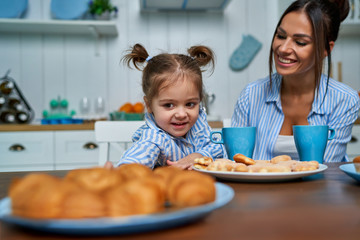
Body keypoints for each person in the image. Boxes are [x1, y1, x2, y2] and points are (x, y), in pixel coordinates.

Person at [232, 0, 360, 162]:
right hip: (258, 188)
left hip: (320, 188)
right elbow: (236, 163)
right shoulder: (251, 95)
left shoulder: (344, 100)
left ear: (326, 49)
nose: (283, 48)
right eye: (280, 36)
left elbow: (325, 169)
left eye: (300, 42)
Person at [115, 43, 227, 169]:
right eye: (169, 105)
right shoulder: (154, 138)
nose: (181, 114)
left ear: (200, 101)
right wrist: (125, 171)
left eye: (190, 104)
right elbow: (137, 157)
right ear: (149, 105)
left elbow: (219, 146)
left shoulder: (198, 125)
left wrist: (198, 155)